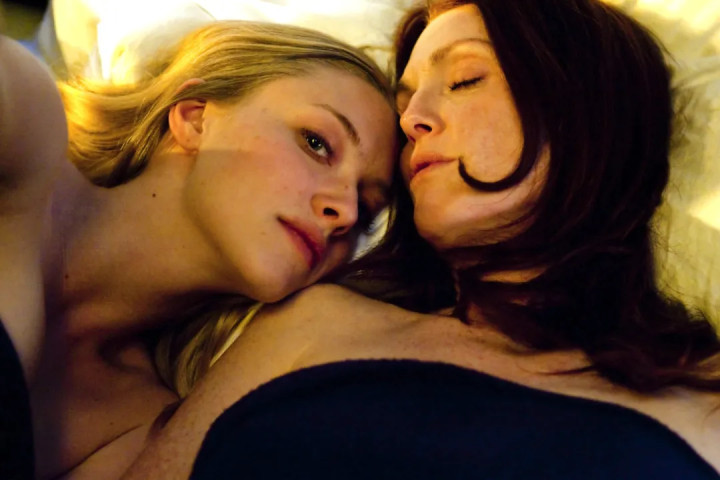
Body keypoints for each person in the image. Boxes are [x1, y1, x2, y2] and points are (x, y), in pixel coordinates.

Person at [121, 1, 720, 479]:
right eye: (406, 104)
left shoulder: (704, 388)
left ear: (584, 112)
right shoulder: (311, 325)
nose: (410, 122)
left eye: (464, 79)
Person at [0, 20, 397, 479]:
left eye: (367, 209)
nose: (345, 211)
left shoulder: (140, 427)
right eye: (317, 144)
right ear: (194, 118)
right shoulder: (25, 133)